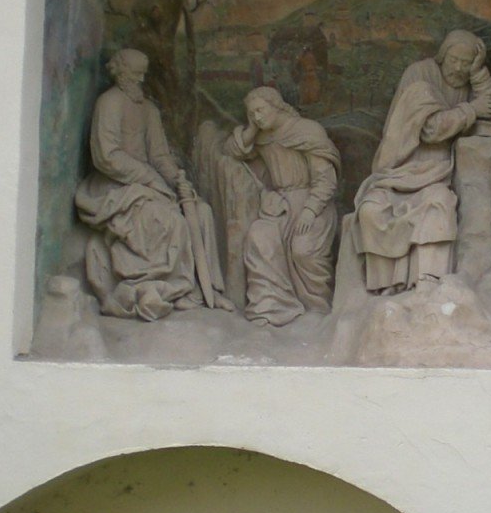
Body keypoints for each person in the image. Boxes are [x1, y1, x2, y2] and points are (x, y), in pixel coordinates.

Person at [354, 30, 491, 294]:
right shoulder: (420, 76)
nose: (458, 68)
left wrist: (478, 75)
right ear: (442, 56)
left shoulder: (469, 81)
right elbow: (430, 129)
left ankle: (428, 282)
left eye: (466, 63)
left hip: (437, 174)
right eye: (454, 60)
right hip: (399, 171)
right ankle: (386, 286)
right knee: (371, 211)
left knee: (439, 205)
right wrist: (472, 110)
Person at [75, 49, 227, 321]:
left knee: (202, 211)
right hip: (115, 186)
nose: (141, 79)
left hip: (150, 184)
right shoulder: (109, 103)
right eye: (136, 74)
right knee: (169, 220)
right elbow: (106, 156)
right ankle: (173, 287)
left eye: (143, 74)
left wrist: (178, 180)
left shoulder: (148, 109)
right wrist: (147, 177)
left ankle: (207, 291)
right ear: (121, 73)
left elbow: (159, 155)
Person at [223, 87, 341, 326]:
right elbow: (231, 150)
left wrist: (310, 210)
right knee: (259, 236)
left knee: (303, 249)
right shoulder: (262, 137)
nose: (256, 117)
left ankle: (317, 309)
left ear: (276, 106)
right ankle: (272, 307)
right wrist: (252, 129)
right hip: (280, 207)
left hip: (312, 204)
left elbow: (325, 179)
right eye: (251, 114)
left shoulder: (306, 131)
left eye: (260, 110)